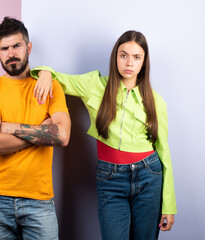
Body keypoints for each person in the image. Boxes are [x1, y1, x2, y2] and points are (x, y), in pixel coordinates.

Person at [31, 30, 176, 240]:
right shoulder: (95, 85)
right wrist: (45, 72)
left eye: (137, 57)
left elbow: (164, 152)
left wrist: (169, 206)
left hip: (148, 177)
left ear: (144, 63)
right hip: (111, 178)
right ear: (115, 57)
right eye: (123, 55)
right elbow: (59, 79)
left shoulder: (155, 101)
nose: (129, 62)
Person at [0, 17, 71, 240]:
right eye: (4, 48)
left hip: (38, 200)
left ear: (28, 47)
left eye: (16, 46)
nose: (11, 53)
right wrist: (41, 131)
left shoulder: (50, 86)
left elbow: (63, 135)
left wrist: (7, 128)